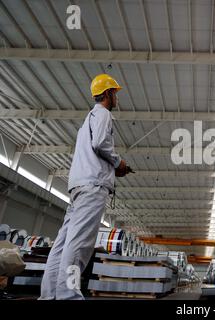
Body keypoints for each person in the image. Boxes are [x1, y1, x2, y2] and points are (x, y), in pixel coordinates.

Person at [39, 74, 129, 300]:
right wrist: (118, 163)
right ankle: (68, 295)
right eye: (115, 94)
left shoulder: (87, 121)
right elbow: (100, 143)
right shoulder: (104, 114)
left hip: (78, 187)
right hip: (93, 187)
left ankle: (49, 295)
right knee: (79, 245)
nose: (116, 98)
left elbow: (93, 146)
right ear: (108, 93)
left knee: (61, 246)